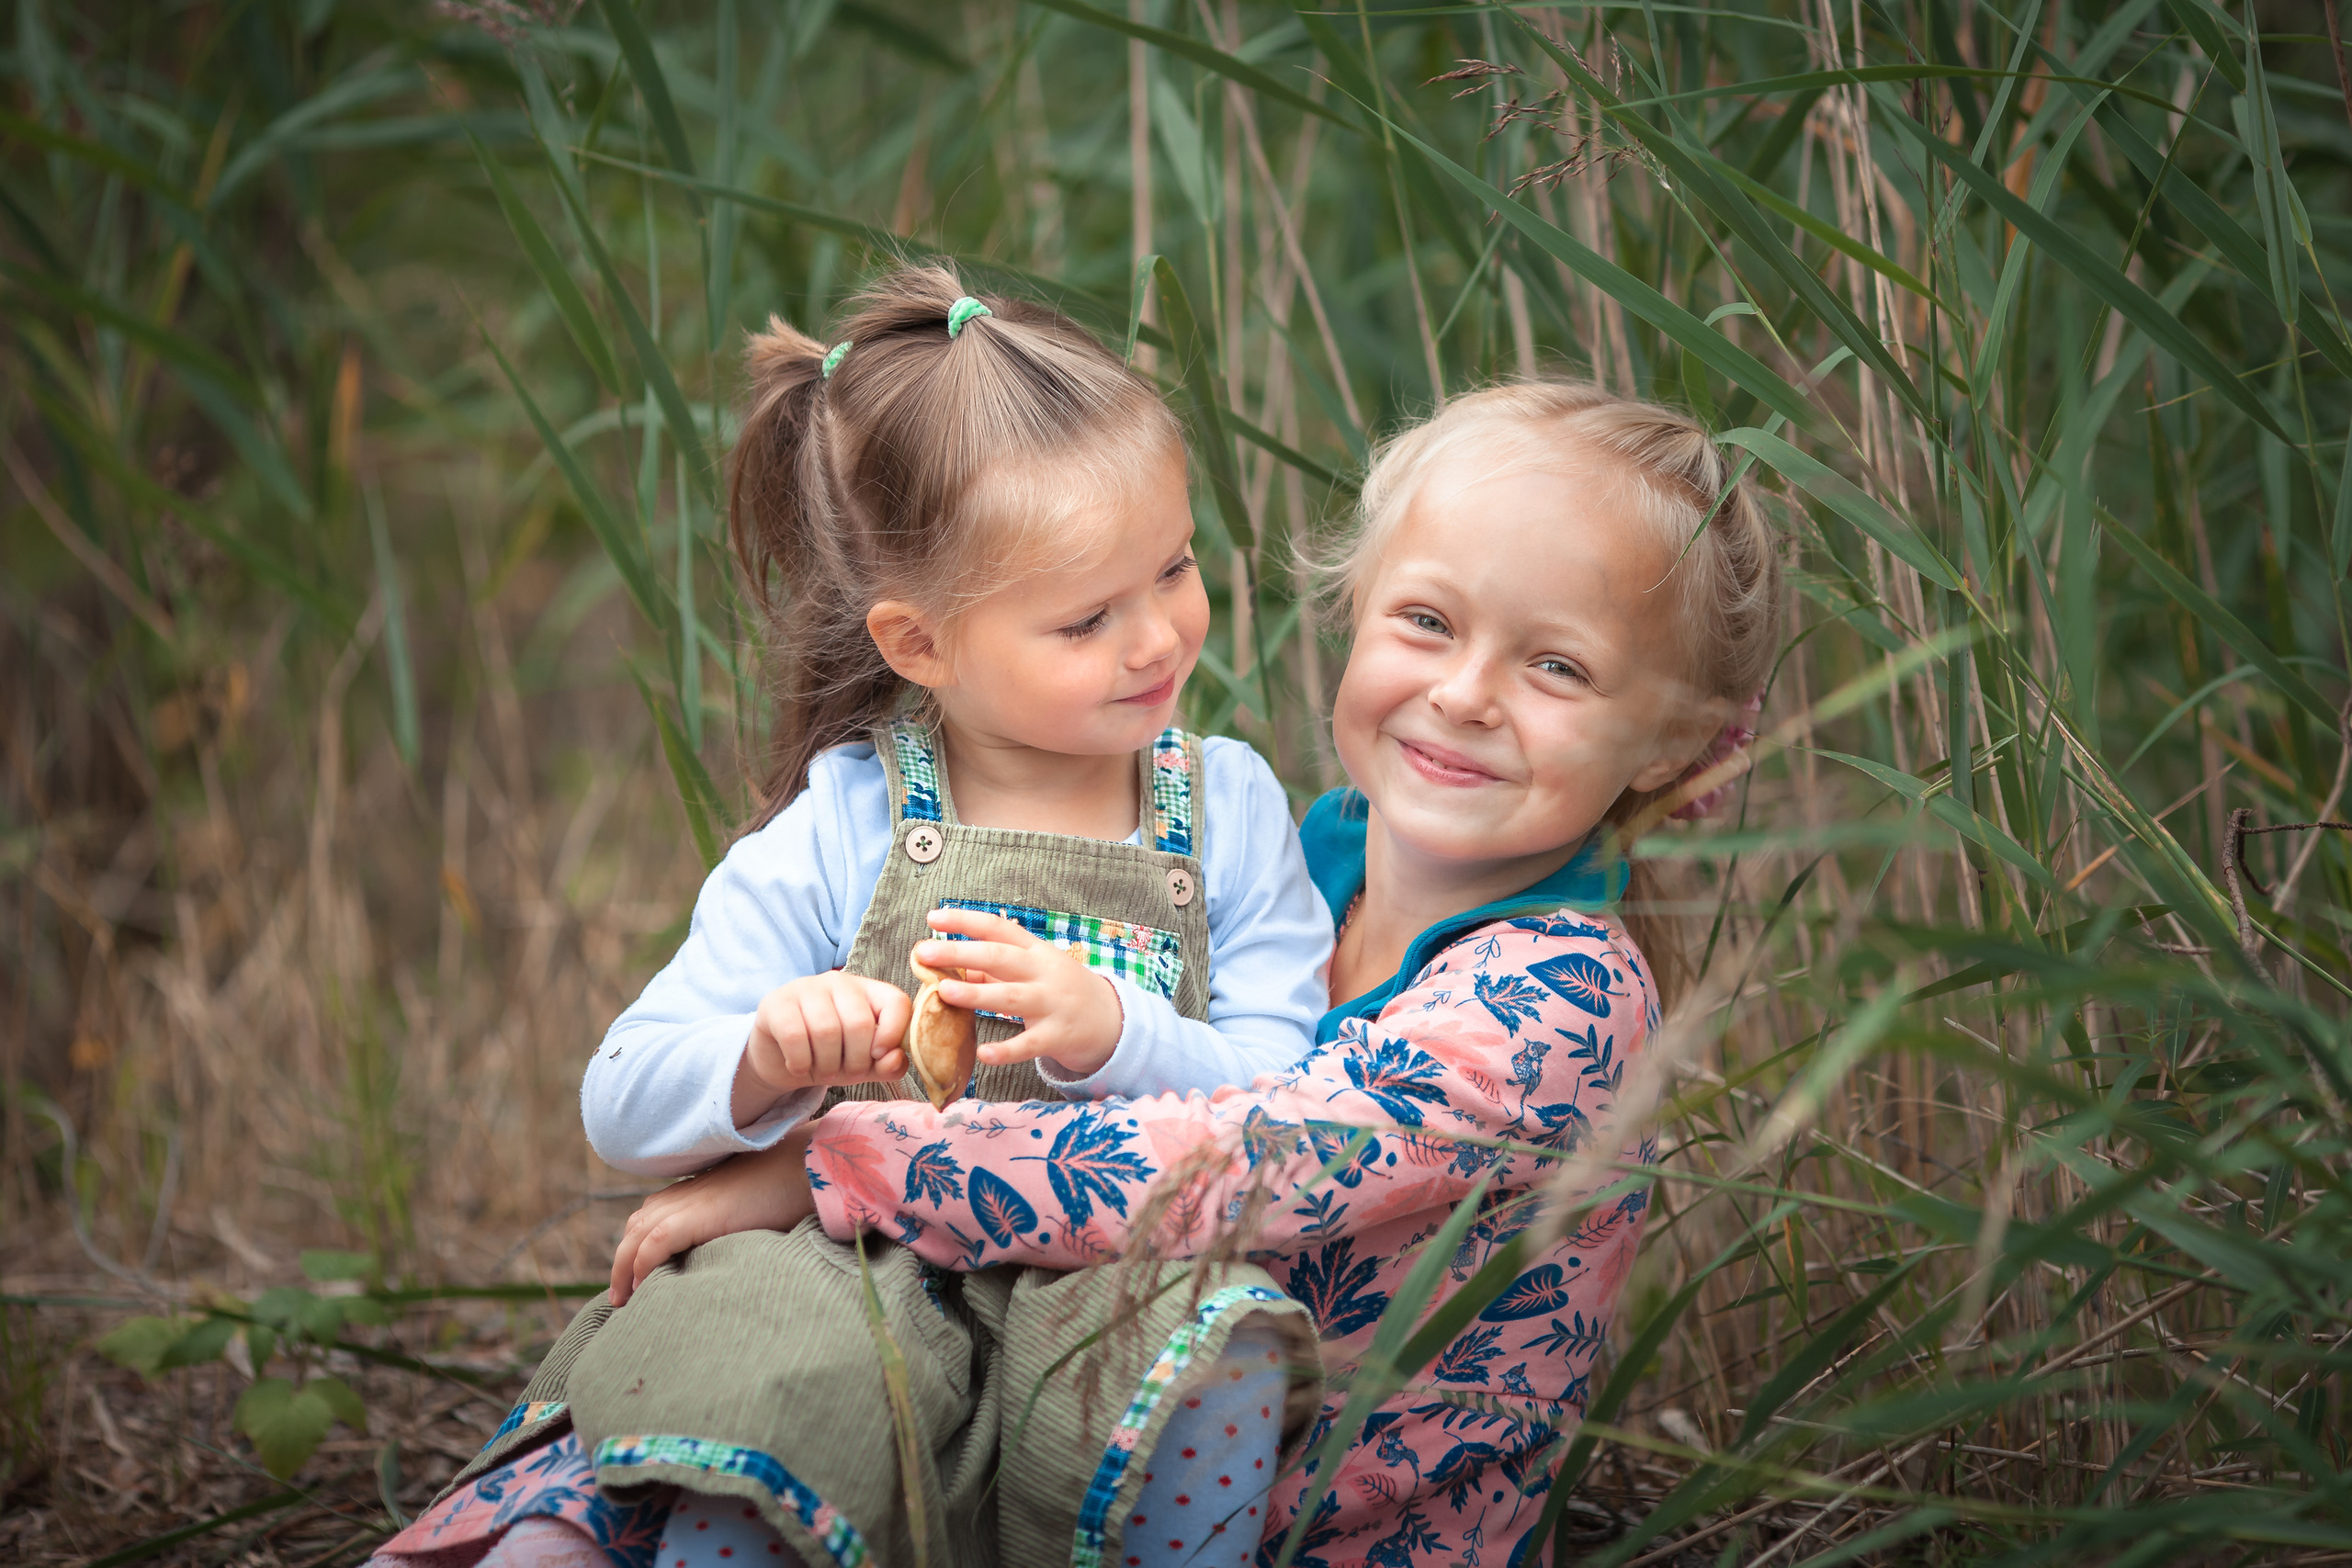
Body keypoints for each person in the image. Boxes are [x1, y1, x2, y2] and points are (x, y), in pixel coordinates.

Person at [600, 380, 1782, 1567]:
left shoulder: (1560, 998)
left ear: (1678, 739)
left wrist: (825, 1167)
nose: (1466, 694)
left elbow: (1225, 1167)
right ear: (1355, 609)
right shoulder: (1293, 871)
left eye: (1559, 669)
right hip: (1113, 1457)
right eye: (1428, 621)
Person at [370, 266, 1333, 1568]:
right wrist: (769, 1054)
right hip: (863, 1262)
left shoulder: (1226, 807)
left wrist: (1118, 1031)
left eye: (1174, 568)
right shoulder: (851, 818)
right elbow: (622, 1091)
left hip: (1109, 1268)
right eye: (1085, 618)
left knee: (1208, 1351)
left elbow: (1289, 1096)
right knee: (768, 1369)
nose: (1159, 637)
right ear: (920, 644)